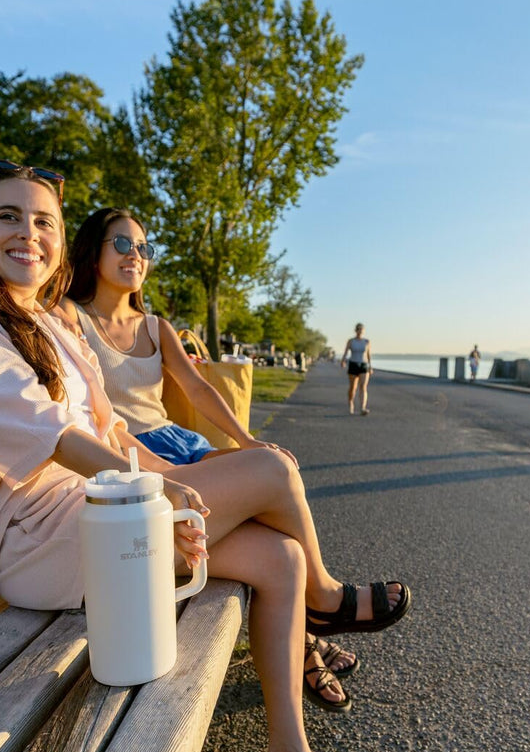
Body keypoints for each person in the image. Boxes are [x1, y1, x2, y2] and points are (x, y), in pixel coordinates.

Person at [0, 160, 405, 752]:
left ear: (59, 239)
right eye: (7, 216)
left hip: (106, 514)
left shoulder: (48, 324)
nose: (27, 233)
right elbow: (50, 433)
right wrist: (160, 487)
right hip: (38, 543)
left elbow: (111, 430)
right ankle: (325, 598)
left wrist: (161, 480)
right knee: (272, 471)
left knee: (277, 558)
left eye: (42, 221)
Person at [60, 207, 364, 711]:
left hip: (180, 443)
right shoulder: (74, 318)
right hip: (130, 458)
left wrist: (245, 439)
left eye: (144, 248)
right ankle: (315, 623)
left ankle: (308, 628)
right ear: (93, 251)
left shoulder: (156, 326)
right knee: (275, 507)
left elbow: (197, 389)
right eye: (121, 244)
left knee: (274, 477)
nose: (135, 255)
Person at [342, 323, 372, 415]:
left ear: (363, 331)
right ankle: (351, 404)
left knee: (363, 387)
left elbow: (368, 355)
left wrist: (370, 366)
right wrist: (343, 360)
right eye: (358, 329)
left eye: (361, 329)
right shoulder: (351, 341)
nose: (360, 331)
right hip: (353, 364)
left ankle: (363, 408)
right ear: (355, 330)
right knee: (353, 387)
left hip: (364, 365)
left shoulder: (367, 341)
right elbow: (346, 352)